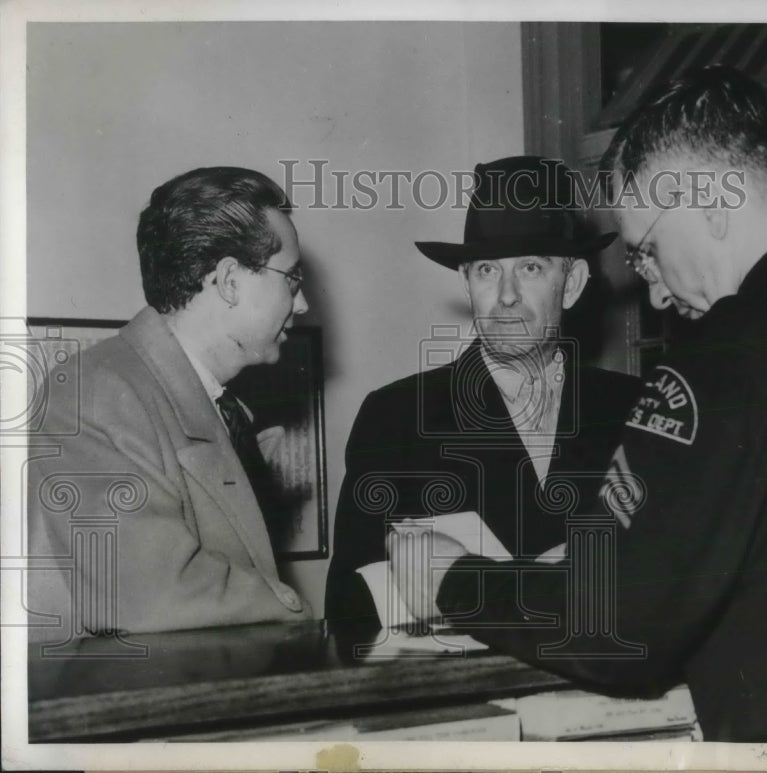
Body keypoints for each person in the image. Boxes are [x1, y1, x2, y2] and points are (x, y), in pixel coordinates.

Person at [389, 67, 767, 742]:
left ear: (711, 199)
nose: (654, 293)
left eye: (648, 252)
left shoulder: (724, 354)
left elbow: (617, 622)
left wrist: (455, 579)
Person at [325, 155, 639, 631]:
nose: (507, 295)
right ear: (467, 284)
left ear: (571, 283)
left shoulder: (633, 409)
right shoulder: (397, 418)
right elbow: (348, 609)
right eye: (488, 270)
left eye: (531, 268)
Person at [28, 166, 312, 639]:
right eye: (292, 279)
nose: (301, 305)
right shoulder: (93, 394)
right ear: (228, 280)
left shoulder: (221, 408)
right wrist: (297, 610)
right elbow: (147, 596)